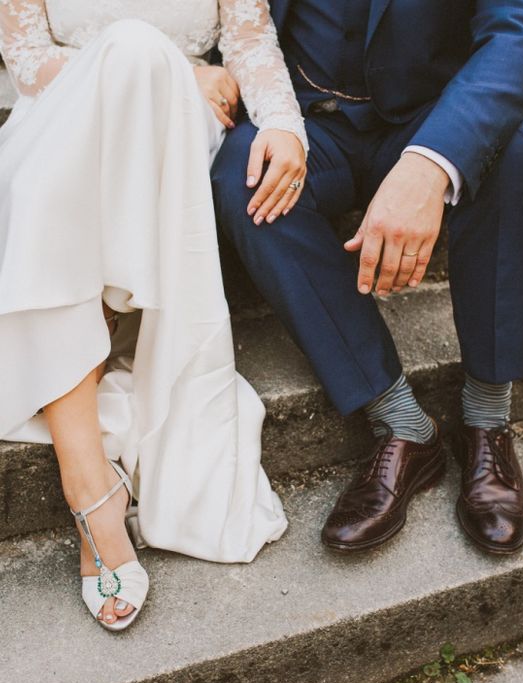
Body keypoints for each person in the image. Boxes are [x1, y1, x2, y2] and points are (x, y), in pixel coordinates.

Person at [0, 0, 307, 630]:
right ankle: (88, 484)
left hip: (174, 125)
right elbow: (27, 61)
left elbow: (251, 45)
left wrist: (283, 124)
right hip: (57, 115)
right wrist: (175, 65)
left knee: (130, 66)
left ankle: (91, 489)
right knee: (46, 179)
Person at [212, 1, 523, 554]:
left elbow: (519, 29)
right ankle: (401, 422)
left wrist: (431, 161)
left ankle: (487, 416)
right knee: (241, 174)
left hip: (428, 114)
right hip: (303, 120)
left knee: (510, 148)